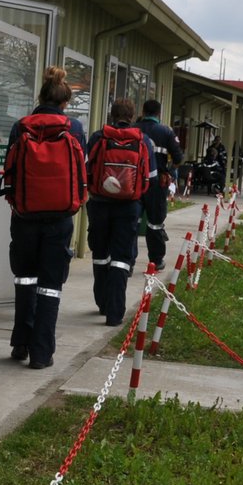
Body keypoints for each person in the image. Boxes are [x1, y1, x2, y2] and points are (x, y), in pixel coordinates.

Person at [2, 66, 88, 366]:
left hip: (24, 217)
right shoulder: (73, 128)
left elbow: (10, 173)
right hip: (60, 218)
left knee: (25, 280)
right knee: (50, 285)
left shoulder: (21, 126)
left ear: (40, 95)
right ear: (64, 102)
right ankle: (41, 352)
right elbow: (82, 172)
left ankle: (20, 342)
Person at [85, 98, 153, 327]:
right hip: (129, 207)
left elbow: (87, 169)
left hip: (100, 204)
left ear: (111, 115)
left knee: (100, 253)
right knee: (122, 259)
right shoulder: (142, 140)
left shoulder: (98, 137)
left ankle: (102, 302)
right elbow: (149, 177)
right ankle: (114, 313)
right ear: (133, 116)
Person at [137, 99, 184, 269]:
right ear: (158, 113)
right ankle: (156, 261)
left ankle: (126, 262)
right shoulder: (166, 132)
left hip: (135, 182)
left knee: (131, 221)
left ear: (143, 111)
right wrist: (169, 171)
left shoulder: (134, 129)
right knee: (155, 223)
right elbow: (178, 158)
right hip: (157, 184)